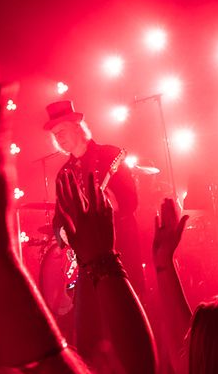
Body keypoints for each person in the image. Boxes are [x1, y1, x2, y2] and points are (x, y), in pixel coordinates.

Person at [44, 100, 147, 356]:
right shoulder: (63, 174)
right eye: (54, 134)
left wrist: (112, 203)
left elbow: (130, 201)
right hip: (85, 264)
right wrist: (64, 233)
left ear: (79, 127)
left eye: (62, 130)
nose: (58, 137)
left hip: (120, 253)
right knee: (91, 334)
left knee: (127, 327)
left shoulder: (111, 156)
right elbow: (59, 219)